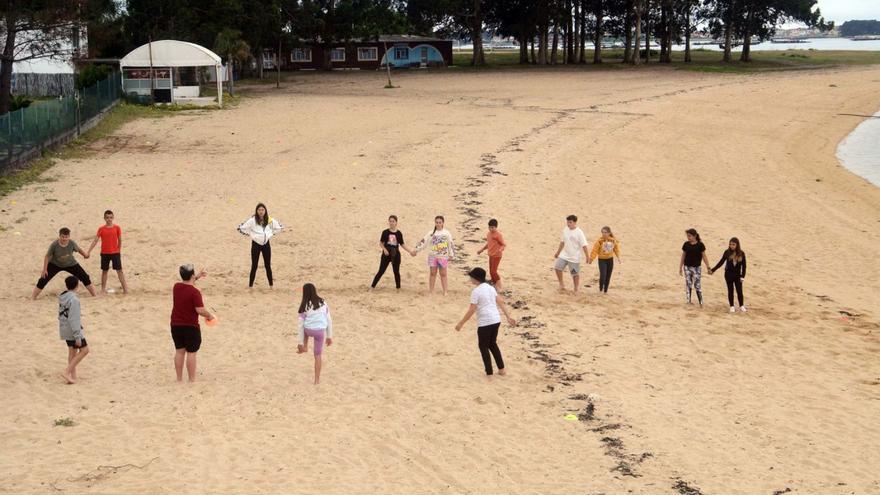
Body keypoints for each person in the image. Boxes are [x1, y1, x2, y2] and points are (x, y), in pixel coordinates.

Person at [455, 267, 517, 377]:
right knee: (492, 344)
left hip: (485, 322)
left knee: (483, 346)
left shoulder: (476, 291)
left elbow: (472, 310)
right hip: (496, 320)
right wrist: (508, 316)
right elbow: (500, 302)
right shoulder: (490, 288)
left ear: (475, 278)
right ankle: (502, 370)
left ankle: (489, 373)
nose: (470, 279)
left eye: (471, 277)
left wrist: (461, 323)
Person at [169, 264, 214, 382]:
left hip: (175, 325)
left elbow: (187, 283)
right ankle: (191, 380)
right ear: (192, 275)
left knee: (179, 351)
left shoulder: (176, 287)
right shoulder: (195, 292)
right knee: (191, 353)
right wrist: (209, 316)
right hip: (190, 326)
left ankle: (179, 379)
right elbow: (200, 310)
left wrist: (197, 276)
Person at [32, 228, 98, 300]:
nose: (64, 239)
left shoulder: (71, 243)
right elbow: (47, 256)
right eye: (63, 236)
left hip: (70, 264)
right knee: (43, 278)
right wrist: (44, 269)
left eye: (66, 237)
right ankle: (33, 297)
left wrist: (85, 255)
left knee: (84, 277)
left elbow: (78, 249)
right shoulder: (54, 245)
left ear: (69, 237)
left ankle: (94, 295)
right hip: (55, 264)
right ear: (59, 236)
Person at [237, 203, 284, 288]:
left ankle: (271, 286)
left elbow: (280, 227)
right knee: (254, 265)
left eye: (262, 210)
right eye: (259, 210)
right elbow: (241, 228)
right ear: (256, 211)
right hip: (255, 245)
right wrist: (251, 234)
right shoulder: (252, 220)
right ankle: (250, 286)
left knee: (268, 265)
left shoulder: (270, 220)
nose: (261, 211)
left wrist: (270, 233)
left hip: (266, 244)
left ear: (265, 211)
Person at [297, 283, 333, 385]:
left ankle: (305, 346)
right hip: (320, 332)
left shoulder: (304, 305)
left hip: (309, 330)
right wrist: (329, 336)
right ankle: (317, 380)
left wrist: (300, 343)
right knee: (318, 355)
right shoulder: (323, 302)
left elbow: (300, 325)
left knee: (305, 328)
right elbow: (329, 320)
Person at [86, 210, 129, 294]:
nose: (109, 219)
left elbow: (120, 240)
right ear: (104, 218)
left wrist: (118, 251)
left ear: (113, 218)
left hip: (115, 253)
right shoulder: (101, 229)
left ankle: (125, 289)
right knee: (104, 271)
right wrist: (89, 251)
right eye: (107, 217)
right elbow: (95, 240)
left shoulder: (117, 228)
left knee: (119, 271)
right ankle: (103, 289)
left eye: (110, 217)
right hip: (104, 253)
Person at [412, 216, 455, 295]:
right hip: (433, 256)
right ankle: (431, 291)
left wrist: (451, 254)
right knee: (432, 273)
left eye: (440, 222)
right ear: (435, 223)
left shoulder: (446, 233)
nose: (438, 224)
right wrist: (416, 250)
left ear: (443, 223)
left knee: (443, 274)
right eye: (437, 222)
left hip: (443, 256)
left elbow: (451, 244)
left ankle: (445, 291)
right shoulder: (431, 233)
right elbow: (423, 242)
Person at [58, 276, 89, 384]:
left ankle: (72, 376)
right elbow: (74, 319)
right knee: (85, 350)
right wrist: (77, 335)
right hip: (72, 330)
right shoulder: (74, 300)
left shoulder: (63, 297)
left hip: (64, 328)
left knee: (72, 351)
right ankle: (67, 372)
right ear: (77, 285)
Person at [371, 215, 415, 289]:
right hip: (386, 254)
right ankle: (372, 286)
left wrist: (410, 251)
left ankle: (398, 288)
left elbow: (402, 244)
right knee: (381, 271)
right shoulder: (385, 232)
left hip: (395, 254)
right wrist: (384, 249)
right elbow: (381, 243)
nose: (391, 223)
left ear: (396, 223)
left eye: (393, 221)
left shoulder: (399, 233)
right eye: (390, 221)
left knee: (396, 272)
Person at [553, 215, 590, 293]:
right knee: (557, 268)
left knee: (574, 274)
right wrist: (558, 252)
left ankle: (576, 288)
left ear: (575, 222)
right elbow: (562, 242)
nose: (568, 224)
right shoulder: (565, 229)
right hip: (564, 255)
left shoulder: (579, 232)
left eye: (570, 222)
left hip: (574, 257)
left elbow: (584, 245)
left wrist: (587, 256)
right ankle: (561, 284)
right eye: (567, 222)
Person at [709, 237, 748, 313]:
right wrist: (713, 270)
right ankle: (732, 306)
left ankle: (741, 305)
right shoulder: (727, 252)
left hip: (737, 275)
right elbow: (721, 262)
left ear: (737, 245)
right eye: (730, 244)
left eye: (733, 244)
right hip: (728, 274)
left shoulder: (741, 253)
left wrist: (743, 276)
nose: (731, 246)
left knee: (739, 291)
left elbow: (744, 266)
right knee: (730, 290)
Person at [679, 228, 711, 306]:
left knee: (697, 284)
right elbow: (683, 256)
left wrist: (708, 267)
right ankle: (688, 301)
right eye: (687, 236)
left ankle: (701, 301)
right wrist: (680, 267)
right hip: (687, 267)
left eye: (690, 236)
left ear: (695, 236)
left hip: (697, 268)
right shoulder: (686, 244)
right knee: (688, 283)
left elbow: (704, 256)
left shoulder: (700, 245)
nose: (688, 238)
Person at [476, 218, 507, 291]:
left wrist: (500, 249)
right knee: (491, 271)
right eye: (489, 227)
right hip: (491, 255)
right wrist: (481, 250)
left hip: (497, 255)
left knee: (494, 271)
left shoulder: (498, 235)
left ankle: (499, 285)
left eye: (492, 227)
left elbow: (503, 244)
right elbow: (488, 244)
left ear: (496, 227)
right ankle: (494, 283)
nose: (491, 229)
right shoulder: (488, 234)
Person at [590, 226, 621, 293]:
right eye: (602, 232)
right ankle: (600, 289)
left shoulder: (613, 240)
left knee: (608, 276)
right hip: (602, 260)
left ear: (609, 233)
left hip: (610, 260)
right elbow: (595, 250)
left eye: (605, 232)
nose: (604, 234)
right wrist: (591, 258)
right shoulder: (599, 241)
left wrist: (618, 257)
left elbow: (616, 249)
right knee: (603, 276)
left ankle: (605, 291)